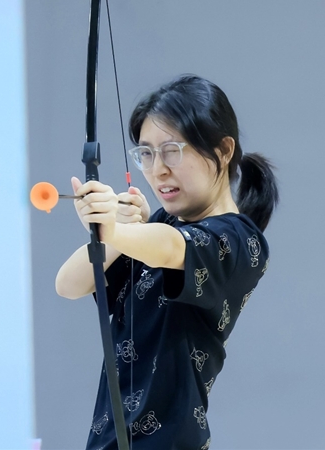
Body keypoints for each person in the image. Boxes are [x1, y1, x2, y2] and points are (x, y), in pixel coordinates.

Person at [55, 74, 278, 450]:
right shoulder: (158, 226)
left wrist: (115, 229)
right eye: (146, 153)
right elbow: (68, 284)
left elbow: (175, 248)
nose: (157, 169)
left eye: (172, 150)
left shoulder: (241, 240)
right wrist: (118, 231)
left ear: (223, 151)